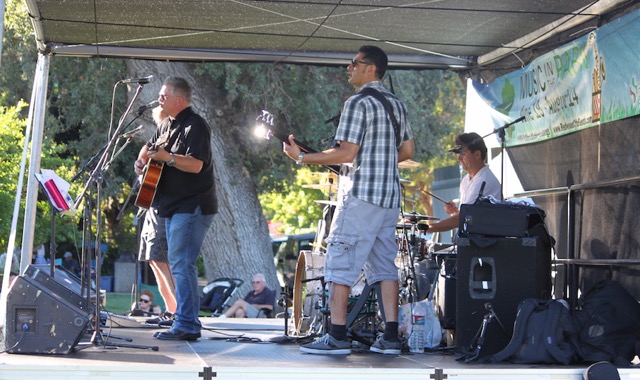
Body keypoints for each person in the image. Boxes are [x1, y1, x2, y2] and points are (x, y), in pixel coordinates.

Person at [283, 45, 414, 355]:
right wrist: (380, 161)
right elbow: (407, 152)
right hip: (389, 197)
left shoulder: (357, 103)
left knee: (340, 260)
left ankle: (338, 335)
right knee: (385, 266)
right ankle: (391, 337)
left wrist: (302, 157)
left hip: (362, 195)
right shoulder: (397, 104)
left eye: (354, 63)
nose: (348, 68)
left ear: (371, 69)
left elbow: (346, 152)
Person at [134, 76, 217, 341]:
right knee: (179, 263)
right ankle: (186, 321)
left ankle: (187, 324)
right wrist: (141, 162)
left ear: (179, 99)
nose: (159, 100)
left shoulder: (196, 126)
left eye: (164, 96)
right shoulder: (166, 124)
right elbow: (148, 150)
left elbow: (195, 165)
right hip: (170, 205)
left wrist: (168, 158)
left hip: (192, 205)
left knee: (182, 263)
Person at [138, 106, 177, 326]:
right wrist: (140, 164)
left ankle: (178, 311)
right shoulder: (159, 136)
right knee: (154, 260)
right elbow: (143, 155)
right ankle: (170, 309)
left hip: (166, 205)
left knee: (164, 261)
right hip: (151, 203)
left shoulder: (177, 137)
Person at [426, 132, 502, 233]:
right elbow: (468, 217)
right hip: (473, 241)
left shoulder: (484, 180)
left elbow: (464, 217)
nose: (459, 158)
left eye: (463, 153)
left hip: (485, 243)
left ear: (477, 154)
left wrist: (430, 228)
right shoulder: (466, 180)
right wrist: (456, 212)